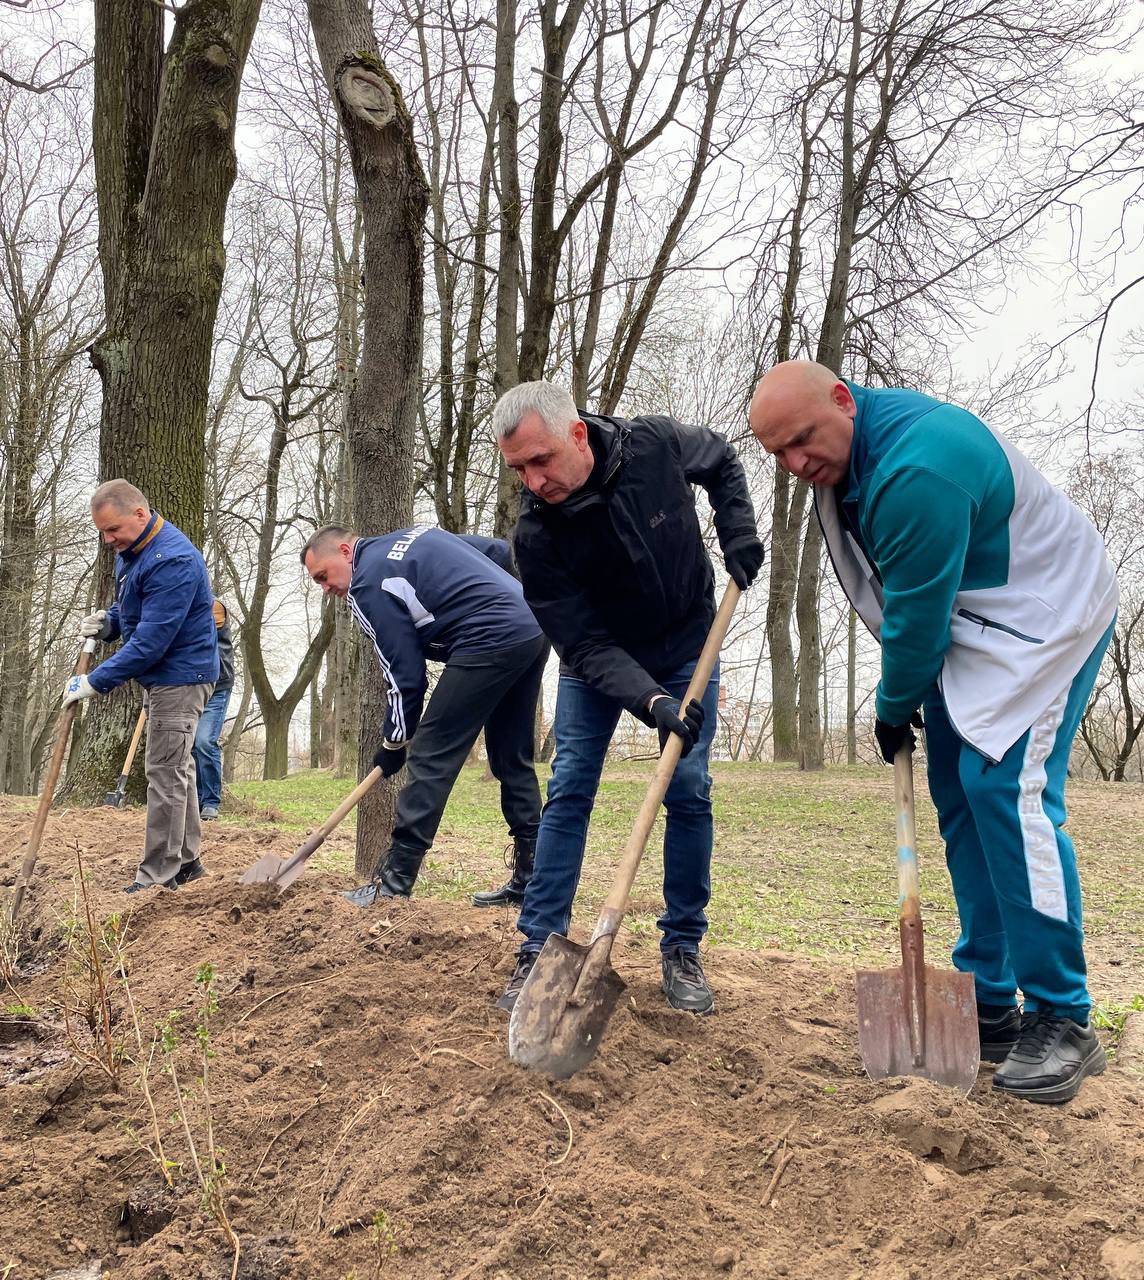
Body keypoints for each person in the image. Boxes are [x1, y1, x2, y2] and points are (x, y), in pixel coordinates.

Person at [749, 360, 1118, 1104]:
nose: (796, 466)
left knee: (1004, 793)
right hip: (975, 623)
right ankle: (990, 995)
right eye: (778, 456)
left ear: (843, 402)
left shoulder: (920, 467)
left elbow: (915, 622)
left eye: (802, 442)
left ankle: (1065, 1016)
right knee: (957, 794)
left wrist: (891, 707)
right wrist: (905, 692)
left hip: (1046, 617)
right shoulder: (852, 460)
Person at [492, 381, 764, 1016]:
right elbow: (581, 645)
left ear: (578, 434)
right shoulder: (535, 537)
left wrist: (739, 532)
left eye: (542, 460)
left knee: (688, 785)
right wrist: (649, 702)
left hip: (686, 639)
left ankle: (682, 946)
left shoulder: (656, 446)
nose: (533, 482)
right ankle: (538, 946)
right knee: (571, 785)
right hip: (599, 659)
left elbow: (721, 460)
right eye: (519, 470)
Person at [301, 524, 549, 906]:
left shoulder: (368, 585)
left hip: (487, 638)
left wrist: (394, 742)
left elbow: (404, 675)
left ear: (346, 552)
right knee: (511, 756)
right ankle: (532, 880)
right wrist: (508, 599)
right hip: (531, 625)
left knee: (431, 754)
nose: (326, 588)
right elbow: (497, 551)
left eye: (323, 576)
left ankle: (394, 882)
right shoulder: (412, 537)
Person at [66, 480, 219, 892]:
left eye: (112, 529)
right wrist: (109, 622)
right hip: (166, 676)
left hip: (180, 677)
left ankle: (157, 877)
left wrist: (96, 681)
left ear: (139, 513)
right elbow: (133, 610)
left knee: (163, 773)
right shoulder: (133, 552)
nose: (107, 539)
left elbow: (153, 640)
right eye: (102, 531)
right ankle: (186, 864)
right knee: (178, 769)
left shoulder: (173, 560)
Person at [193, 598, 235, 822]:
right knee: (188, 744)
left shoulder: (213, 606)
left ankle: (211, 801)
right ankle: (196, 798)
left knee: (204, 741)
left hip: (217, 685)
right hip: (189, 686)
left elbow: (199, 632)